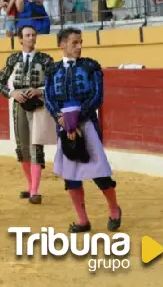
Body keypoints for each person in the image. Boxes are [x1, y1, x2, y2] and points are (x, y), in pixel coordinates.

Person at [44, 27, 122, 233]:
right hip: (63, 127)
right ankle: (82, 220)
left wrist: (75, 121)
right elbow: (49, 98)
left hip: (87, 123)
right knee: (71, 174)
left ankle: (114, 209)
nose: (79, 47)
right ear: (62, 45)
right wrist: (61, 119)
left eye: (80, 42)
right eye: (74, 43)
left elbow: (97, 96)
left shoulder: (90, 67)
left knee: (98, 171)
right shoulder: (52, 70)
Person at [0, 25, 55, 204]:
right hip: (18, 105)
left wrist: (39, 90)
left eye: (33, 35)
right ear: (20, 39)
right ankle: (30, 186)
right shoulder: (13, 59)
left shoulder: (45, 60)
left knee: (36, 146)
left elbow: (54, 84)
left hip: (38, 105)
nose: (31, 38)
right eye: (27, 35)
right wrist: (12, 93)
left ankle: (35, 191)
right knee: (22, 147)